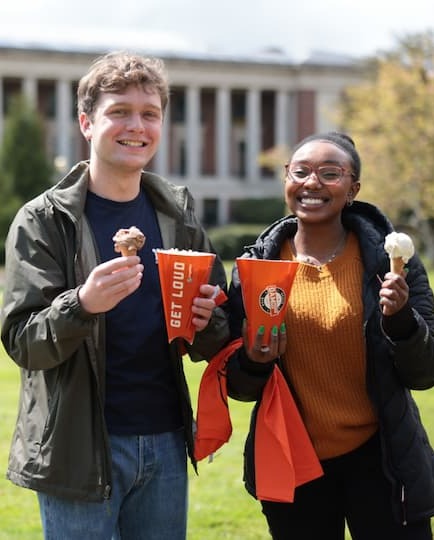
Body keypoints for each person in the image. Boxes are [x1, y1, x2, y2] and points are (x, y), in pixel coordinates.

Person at [1, 50, 229, 540]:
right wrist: (82, 303)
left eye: (150, 114)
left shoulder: (179, 215)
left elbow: (217, 336)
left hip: (165, 441)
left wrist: (207, 318)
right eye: (119, 112)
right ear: (87, 122)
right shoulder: (44, 221)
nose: (137, 126)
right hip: (78, 446)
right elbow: (23, 340)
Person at [225, 131, 434, 539]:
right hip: (294, 460)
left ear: (353, 188)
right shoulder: (256, 269)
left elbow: (425, 374)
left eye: (330, 173)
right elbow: (238, 385)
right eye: (300, 171)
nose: (312, 183)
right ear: (286, 180)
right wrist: (255, 360)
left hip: (382, 458)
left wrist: (401, 321)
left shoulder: (392, 266)